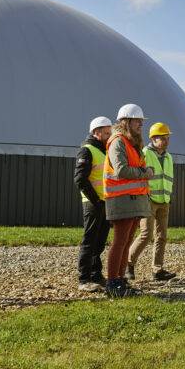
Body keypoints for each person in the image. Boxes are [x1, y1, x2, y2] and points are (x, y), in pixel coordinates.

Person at [103, 103, 153, 297]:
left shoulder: (131, 143)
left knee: (126, 241)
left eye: (141, 121)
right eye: (137, 120)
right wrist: (144, 173)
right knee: (120, 241)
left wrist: (146, 172)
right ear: (126, 121)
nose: (141, 124)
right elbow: (121, 169)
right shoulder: (118, 141)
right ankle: (112, 283)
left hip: (132, 199)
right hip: (121, 199)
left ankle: (121, 280)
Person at [127, 122, 177, 282]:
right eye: (163, 138)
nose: (167, 140)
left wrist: (169, 197)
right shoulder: (145, 153)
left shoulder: (169, 157)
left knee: (161, 236)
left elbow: (167, 178)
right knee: (146, 234)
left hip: (164, 201)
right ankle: (128, 264)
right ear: (154, 139)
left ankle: (157, 270)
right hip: (148, 200)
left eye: (168, 137)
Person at [75, 116, 113, 292]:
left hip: (104, 202)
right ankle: (84, 279)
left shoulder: (104, 151)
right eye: (106, 132)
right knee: (89, 241)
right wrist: (96, 200)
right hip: (93, 203)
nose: (109, 135)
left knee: (99, 243)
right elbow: (80, 180)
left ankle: (96, 275)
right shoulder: (87, 150)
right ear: (96, 132)